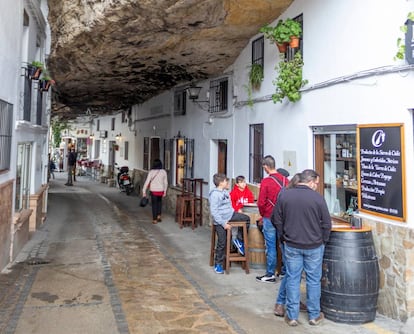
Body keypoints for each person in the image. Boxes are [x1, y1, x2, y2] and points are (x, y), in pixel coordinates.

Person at [273, 169, 332, 327]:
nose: (316, 186)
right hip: (314, 245)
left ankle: (292, 316)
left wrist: (284, 236)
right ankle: (314, 315)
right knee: (313, 280)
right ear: (311, 181)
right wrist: (323, 241)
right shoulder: (318, 199)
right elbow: (327, 224)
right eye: (316, 183)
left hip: (292, 244)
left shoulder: (285, 195)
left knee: (293, 278)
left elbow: (275, 219)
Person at [272, 173, 307, 317]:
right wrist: (283, 234)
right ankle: (280, 303)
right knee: (292, 272)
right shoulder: (286, 195)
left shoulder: (290, 194)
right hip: (288, 239)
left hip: (295, 238)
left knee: (294, 272)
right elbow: (276, 217)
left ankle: (293, 300)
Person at [256, 155, 289, 283]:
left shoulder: (266, 182)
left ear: (265, 167)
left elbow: (261, 202)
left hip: (269, 217)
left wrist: (263, 214)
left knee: (270, 246)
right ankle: (285, 272)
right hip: (284, 218)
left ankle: (270, 273)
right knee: (284, 245)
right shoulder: (286, 181)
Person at [209, 173, 250, 274]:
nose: (228, 183)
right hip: (220, 221)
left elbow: (230, 206)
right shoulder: (215, 194)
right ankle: (218, 264)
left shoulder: (226, 192)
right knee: (222, 241)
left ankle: (239, 241)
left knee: (247, 219)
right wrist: (223, 223)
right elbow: (214, 212)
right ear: (221, 183)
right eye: (226, 181)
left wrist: (234, 212)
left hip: (231, 215)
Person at [142, 159, 168, 224]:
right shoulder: (163, 172)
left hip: (153, 191)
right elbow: (166, 183)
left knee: (154, 205)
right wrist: (165, 191)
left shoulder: (151, 172)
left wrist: (144, 191)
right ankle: (159, 216)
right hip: (161, 190)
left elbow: (147, 182)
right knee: (159, 203)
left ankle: (155, 219)